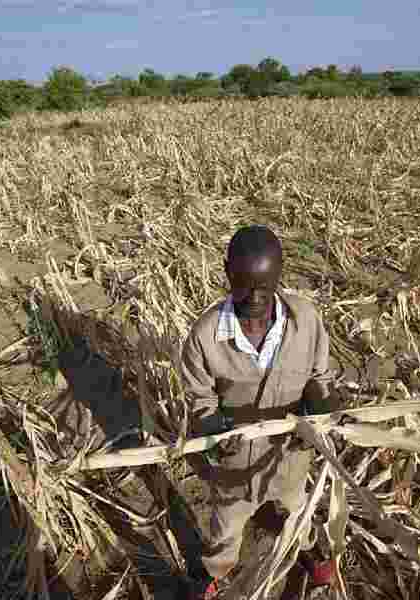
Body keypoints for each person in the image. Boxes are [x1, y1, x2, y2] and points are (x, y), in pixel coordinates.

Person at [180, 225, 340, 600]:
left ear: (279, 276)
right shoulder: (205, 337)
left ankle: (309, 552)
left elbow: (320, 377)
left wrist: (322, 407)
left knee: (295, 511)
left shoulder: (306, 321)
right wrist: (211, 432)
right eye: (243, 285)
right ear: (226, 272)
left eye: (264, 288)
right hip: (235, 465)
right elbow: (200, 399)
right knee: (227, 527)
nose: (253, 298)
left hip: (290, 458)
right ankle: (214, 573)